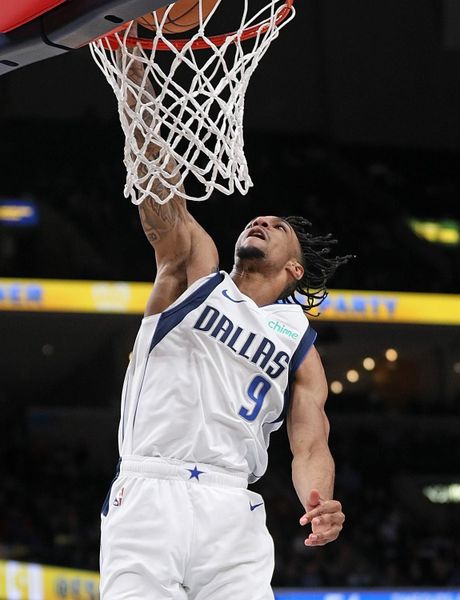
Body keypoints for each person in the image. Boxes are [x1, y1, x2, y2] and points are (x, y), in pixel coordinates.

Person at [98, 34, 349, 600]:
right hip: (150, 490)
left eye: (278, 227)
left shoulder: (299, 343)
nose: (262, 220)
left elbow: (311, 444)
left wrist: (320, 500)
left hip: (232, 508)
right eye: (261, 218)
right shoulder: (195, 273)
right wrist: (135, 77)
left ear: (294, 271)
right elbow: (159, 190)